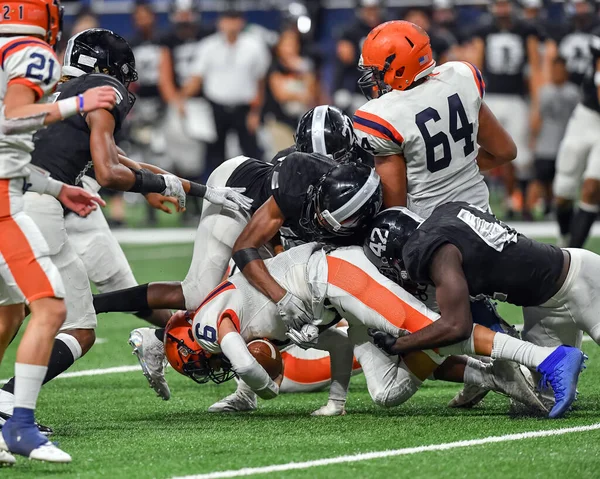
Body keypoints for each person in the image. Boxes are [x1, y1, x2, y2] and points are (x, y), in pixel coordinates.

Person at [0, 29, 252, 431]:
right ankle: (10, 401)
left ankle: (10, 401)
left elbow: (121, 161)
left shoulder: (55, 95)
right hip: (42, 208)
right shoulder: (103, 89)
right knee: (74, 326)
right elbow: (110, 171)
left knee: (18, 311)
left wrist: (201, 190)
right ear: (108, 70)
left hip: (17, 203)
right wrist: (163, 186)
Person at [92, 109, 380, 400]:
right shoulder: (292, 170)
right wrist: (283, 291)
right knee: (201, 291)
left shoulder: (362, 169)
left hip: (273, 224)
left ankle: (159, 340)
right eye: (318, 161)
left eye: (334, 160)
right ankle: (99, 307)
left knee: (283, 302)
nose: (326, 169)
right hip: (239, 192)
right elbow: (260, 238)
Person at [164, 241, 566, 416]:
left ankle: (547, 357)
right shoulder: (251, 321)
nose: (205, 371)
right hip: (332, 302)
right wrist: (336, 402)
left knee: (437, 326)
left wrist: (265, 387)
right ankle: (492, 374)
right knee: (386, 393)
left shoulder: (205, 324)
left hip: (333, 275)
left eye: (195, 366)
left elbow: (249, 368)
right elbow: (340, 346)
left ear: (192, 347)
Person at [0, 0, 118, 464]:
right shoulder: (31, 53)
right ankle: (21, 425)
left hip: (13, 186)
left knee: (9, 308)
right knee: (50, 306)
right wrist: (79, 103)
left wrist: (55, 187)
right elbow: (12, 118)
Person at [363, 203, 588, 418]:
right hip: (543, 300)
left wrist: (399, 344)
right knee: (543, 402)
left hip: (577, 281)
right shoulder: (443, 219)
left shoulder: (427, 250)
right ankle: (489, 373)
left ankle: (544, 358)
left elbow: (456, 326)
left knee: (445, 326)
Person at [354, 20, 515, 219]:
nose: (374, 81)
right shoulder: (459, 78)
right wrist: (457, 171)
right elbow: (505, 151)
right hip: (483, 222)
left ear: (400, 69)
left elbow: (395, 210)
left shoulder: (384, 116)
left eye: (377, 72)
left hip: (428, 235)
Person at [470, 0, 544, 219]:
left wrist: (536, 105)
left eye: (505, 4)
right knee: (482, 152)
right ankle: (503, 200)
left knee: (521, 156)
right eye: (499, 5)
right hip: (490, 98)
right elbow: (477, 66)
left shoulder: (525, 30)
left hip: (516, 98)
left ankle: (525, 202)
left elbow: (534, 68)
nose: (502, 9)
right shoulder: (485, 30)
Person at [182, 9, 271, 172]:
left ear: (242, 22)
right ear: (220, 22)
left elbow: (260, 82)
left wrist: (256, 112)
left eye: (235, 19)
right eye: (227, 19)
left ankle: (257, 190)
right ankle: (211, 192)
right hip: (216, 108)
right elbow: (196, 79)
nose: (231, 24)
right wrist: (179, 99)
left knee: (251, 154)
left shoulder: (254, 46)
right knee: (214, 154)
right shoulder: (208, 46)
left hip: (244, 108)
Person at [553, 28, 600, 248]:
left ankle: (573, 253)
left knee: (592, 188)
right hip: (587, 117)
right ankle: (564, 240)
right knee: (563, 191)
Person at [529, 57, 579, 217]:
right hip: (546, 141)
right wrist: (534, 136)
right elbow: (538, 115)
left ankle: (563, 207)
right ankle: (549, 204)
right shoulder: (545, 90)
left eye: (560, 69)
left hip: (566, 140)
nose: (557, 73)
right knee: (544, 176)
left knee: (563, 178)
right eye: (555, 69)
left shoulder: (573, 92)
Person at [264, 26, 317, 155]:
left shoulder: (304, 66)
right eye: (286, 44)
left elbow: (313, 95)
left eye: (293, 44)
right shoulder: (275, 67)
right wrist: (300, 95)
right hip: (280, 121)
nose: (290, 48)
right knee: (282, 159)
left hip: (302, 122)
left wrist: (305, 71)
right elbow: (281, 95)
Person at [332, 0, 384, 115]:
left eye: (374, 9)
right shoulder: (350, 32)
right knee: (343, 99)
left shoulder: (387, 29)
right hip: (358, 87)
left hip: (385, 82)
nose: (371, 13)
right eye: (368, 9)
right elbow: (346, 58)